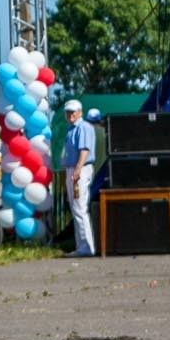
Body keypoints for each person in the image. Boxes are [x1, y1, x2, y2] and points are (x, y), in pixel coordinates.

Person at [62, 98, 97, 256]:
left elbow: (85, 150)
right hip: (74, 170)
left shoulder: (83, 127)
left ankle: (86, 247)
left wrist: (77, 170)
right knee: (77, 207)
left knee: (79, 208)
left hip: (79, 170)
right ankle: (82, 246)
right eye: (68, 112)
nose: (70, 115)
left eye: (73, 112)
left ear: (80, 112)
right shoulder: (72, 129)